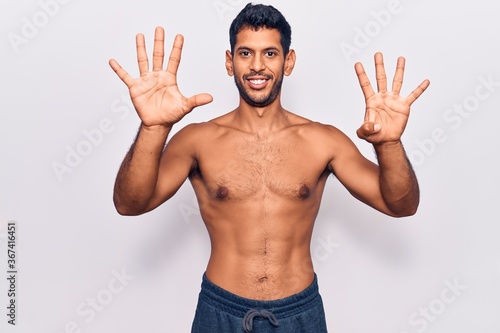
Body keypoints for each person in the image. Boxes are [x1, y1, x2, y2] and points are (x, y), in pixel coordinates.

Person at [109, 3, 429, 333]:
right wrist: (153, 129)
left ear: (288, 62)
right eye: (245, 53)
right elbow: (130, 204)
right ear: (229, 62)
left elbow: (401, 205)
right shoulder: (198, 141)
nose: (257, 66)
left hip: (299, 313)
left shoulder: (323, 141)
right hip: (221, 312)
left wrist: (388, 144)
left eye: (270, 54)